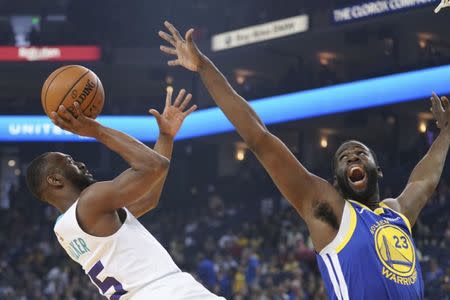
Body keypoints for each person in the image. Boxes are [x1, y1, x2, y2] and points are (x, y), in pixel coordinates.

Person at [159, 21, 450, 299]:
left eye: (361, 153)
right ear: (336, 180)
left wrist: (446, 133)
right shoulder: (329, 208)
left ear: (379, 170)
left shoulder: (395, 213)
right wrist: (203, 67)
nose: (353, 157)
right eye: (344, 157)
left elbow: (424, 180)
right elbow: (259, 138)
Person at [26, 89, 225, 300]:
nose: (81, 164)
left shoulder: (64, 228)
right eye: (70, 162)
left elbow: (149, 198)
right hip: (169, 293)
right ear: (55, 180)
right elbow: (154, 165)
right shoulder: (90, 201)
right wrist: (95, 130)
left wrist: (166, 136)